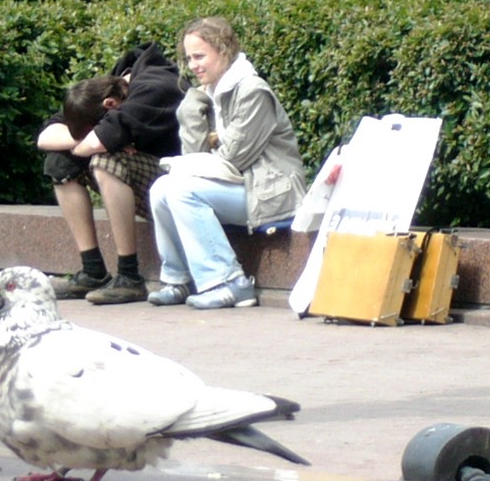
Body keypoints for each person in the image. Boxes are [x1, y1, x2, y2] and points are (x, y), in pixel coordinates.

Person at [147, 16, 307, 309]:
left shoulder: (252, 91)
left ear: (223, 51)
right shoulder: (208, 93)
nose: (193, 65)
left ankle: (229, 282)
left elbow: (233, 159)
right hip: (235, 185)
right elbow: (195, 154)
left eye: (199, 56)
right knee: (161, 188)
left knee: (183, 190)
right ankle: (177, 278)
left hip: (269, 192)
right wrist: (191, 108)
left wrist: (206, 149)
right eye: (189, 58)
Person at [38, 42, 184, 304]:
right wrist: (90, 140)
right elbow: (46, 137)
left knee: (105, 160)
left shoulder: (155, 86)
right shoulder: (105, 89)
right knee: (59, 161)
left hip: (176, 186)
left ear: (110, 104)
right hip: (147, 177)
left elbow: (99, 143)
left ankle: (129, 276)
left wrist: (104, 139)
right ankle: (93, 271)